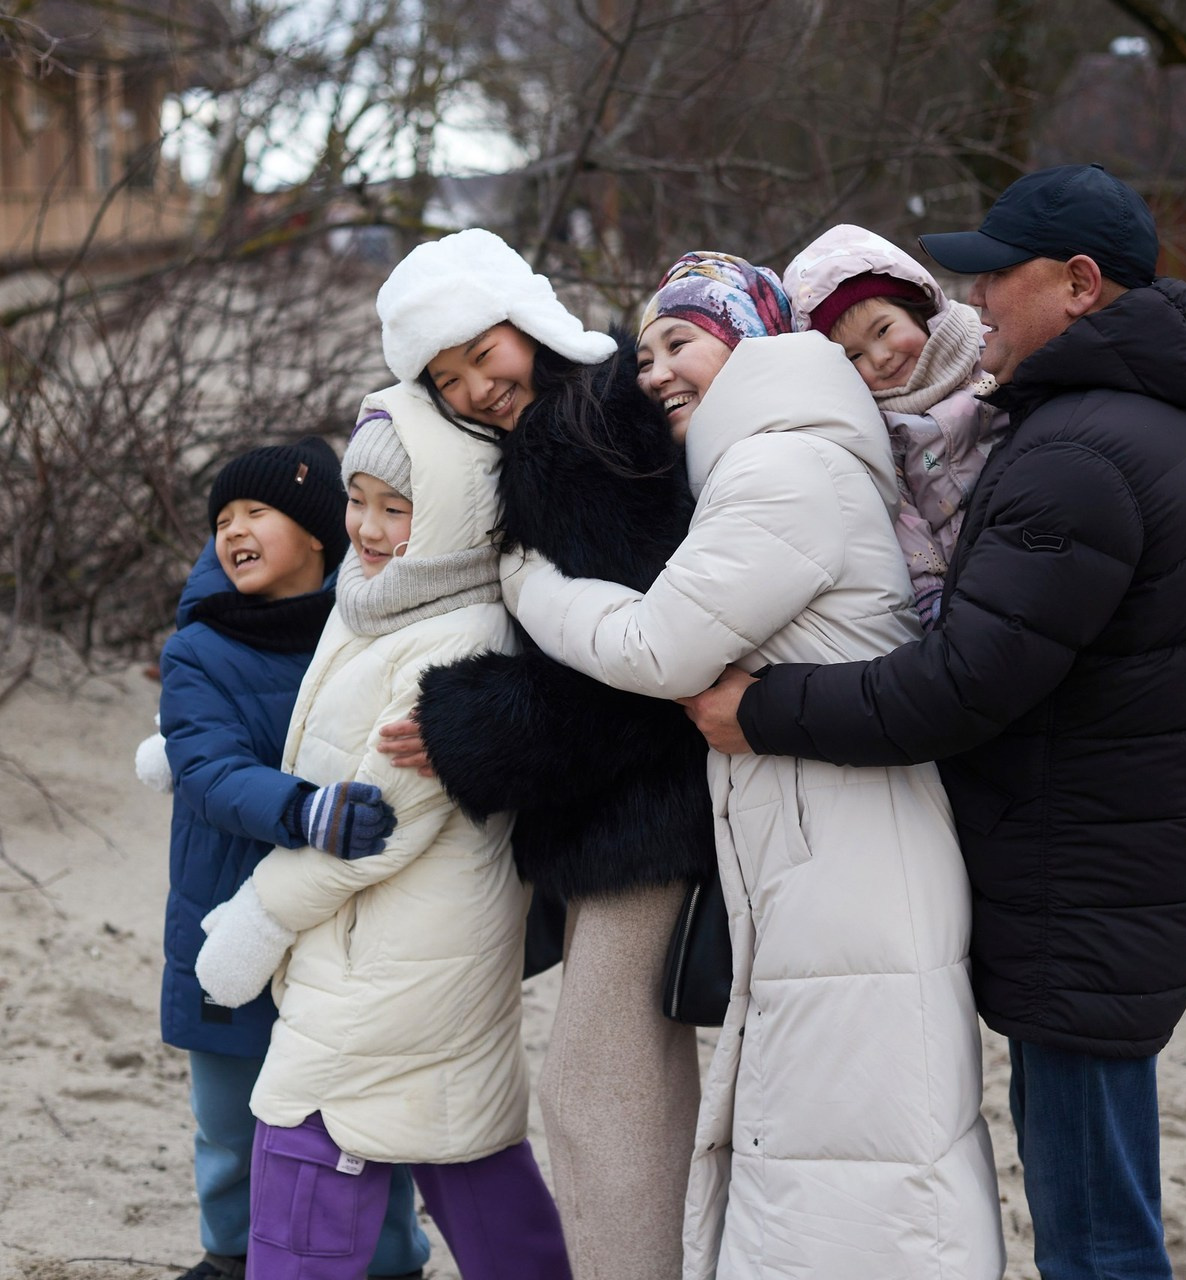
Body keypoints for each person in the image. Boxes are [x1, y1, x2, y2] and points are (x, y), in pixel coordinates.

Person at [680, 165, 1186, 1280]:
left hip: (1079, 885)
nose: (971, 299)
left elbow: (956, 684)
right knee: (1093, 1207)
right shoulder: (1118, 422)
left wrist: (761, 708)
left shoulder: (1078, 451)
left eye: (995, 275)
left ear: (1077, 285)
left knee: (1093, 1237)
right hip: (1099, 873)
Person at [513, 251, 1004, 1279]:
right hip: (826, 855)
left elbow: (657, 647)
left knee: (857, 1174)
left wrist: (529, 582)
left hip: (849, 868)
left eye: (679, 341)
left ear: (748, 338)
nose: (653, 372)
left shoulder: (781, 468)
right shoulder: (783, 457)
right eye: (642, 352)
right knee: (835, 1169)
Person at [375, 228, 716, 1280]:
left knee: (592, 1077)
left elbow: (626, 686)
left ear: (526, 318)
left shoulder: (572, 444)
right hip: (644, 804)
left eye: (483, 353)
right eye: (447, 378)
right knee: (629, 1068)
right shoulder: (597, 410)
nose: (477, 386)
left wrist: (463, 724)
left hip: (643, 811)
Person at [194, 402, 573, 1279]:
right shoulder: (381, 602)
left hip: (392, 954)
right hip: (413, 948)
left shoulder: (459, 635)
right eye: (357, 499)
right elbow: (323, 737)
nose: (366, 526)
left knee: (306, 1133)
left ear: (454, 512)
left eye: (395, 508)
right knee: (464, 1146)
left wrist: (258, 917)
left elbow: (380, 819)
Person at [155, 438, 430, 1280]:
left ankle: (392, 1262)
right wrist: (302, 809)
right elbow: (205, 769)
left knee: (357, 1115)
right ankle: (229, 1253)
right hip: (227, 915)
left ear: (319, 534)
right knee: (231, 1118)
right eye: (222, 519)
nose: (233, 529)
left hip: (341, 925)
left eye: (255, 513)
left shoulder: (367, 633)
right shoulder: (197, 649)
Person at [783, 223, 1005, 628]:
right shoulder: (873, 425)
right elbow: (900, 514)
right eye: (854, 357)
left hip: (1018, 529)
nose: (881, 357)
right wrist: (929, 592)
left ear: (917, 306)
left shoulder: (983, 352)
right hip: (958, 573)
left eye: (884, 330)